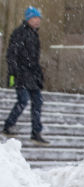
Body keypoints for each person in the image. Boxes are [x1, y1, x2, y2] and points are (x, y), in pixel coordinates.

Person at [2, 6, 49, 145]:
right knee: (23, 100)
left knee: (38, 102)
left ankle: (36, 132)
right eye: (35, 18)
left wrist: (39, 74)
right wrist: (12, 74)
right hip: (21, 74)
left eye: (39, 18)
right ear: (28, 18)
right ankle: (8, 125)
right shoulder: (19, 33)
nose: (37, 21)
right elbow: (11, 54)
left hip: (33, 76)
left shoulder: (34, 35)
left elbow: (34, 59)